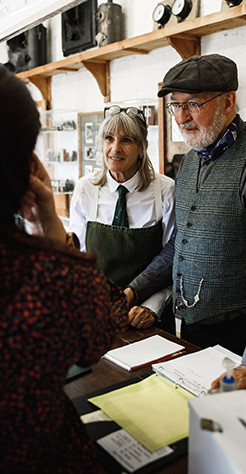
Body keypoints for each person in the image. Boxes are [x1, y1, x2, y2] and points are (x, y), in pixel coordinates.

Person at [0, 56, 128, 474]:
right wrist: (51, 233)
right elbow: (98, 335)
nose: (116, 151)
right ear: (22, 164)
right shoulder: (49, 277)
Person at [127, 54, 246, 388]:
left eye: (193, 103)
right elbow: (179, 246)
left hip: (241, 339)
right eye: (175, 105)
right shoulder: (190, 162)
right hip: (192, 331)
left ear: (228, 101)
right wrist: (133, 291)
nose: (182, 117)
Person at [69, 106, 175, 331]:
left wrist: (151, 307)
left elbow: (173, 261)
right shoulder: (85, 189)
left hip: (147, 319)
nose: (114, 148)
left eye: (126, 140)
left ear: (142, 148)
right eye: (109, 138)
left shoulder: (165, 191)